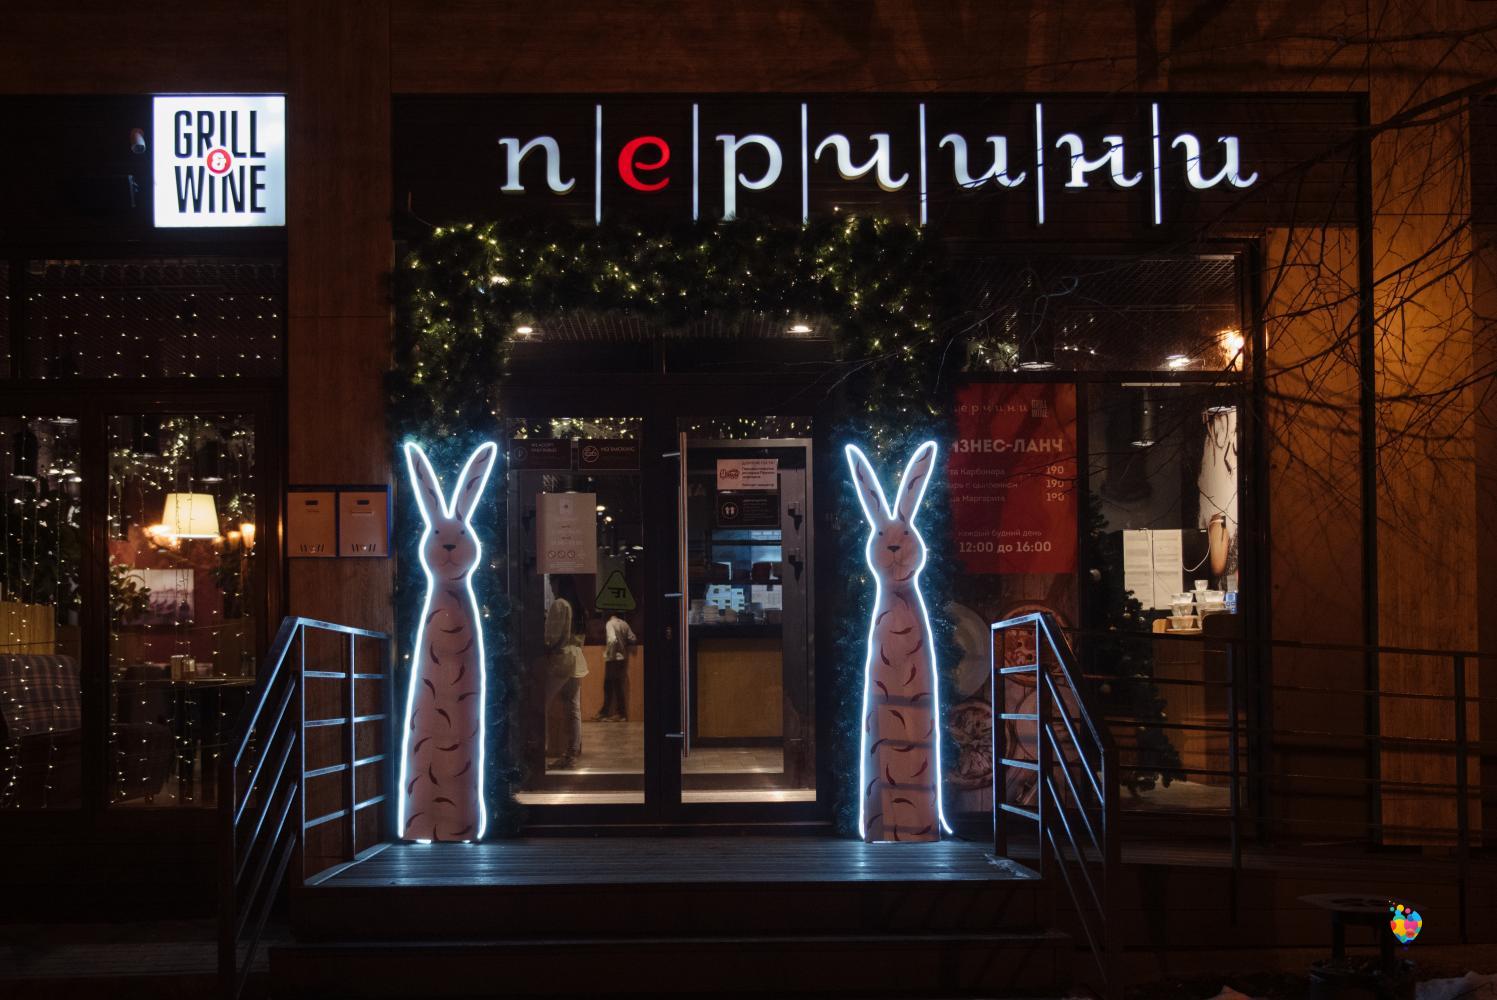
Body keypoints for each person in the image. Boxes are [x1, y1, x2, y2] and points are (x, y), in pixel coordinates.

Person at [542, 577, 586, 770]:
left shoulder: (560, 604)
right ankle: (572, 753)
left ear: (559, 584)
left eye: (552, 582)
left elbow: (552, 636)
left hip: (561, 659)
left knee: (541, 704)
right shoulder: (578, 606)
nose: (551, 586)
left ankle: (540, 750)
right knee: (573, 708)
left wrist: (546, 647)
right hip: (577, 659)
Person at [596, 612, 636, 722]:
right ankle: (620, 714)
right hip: (622, 659)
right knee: (618, 686)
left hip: (613, 659)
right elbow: (633, 638)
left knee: (608, 687)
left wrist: (610, 654)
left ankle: (605, 713)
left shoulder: (610, 623)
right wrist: (623, 644)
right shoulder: (624, 624)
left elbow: (612, 639)